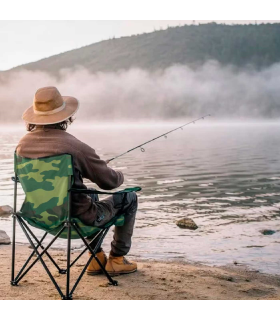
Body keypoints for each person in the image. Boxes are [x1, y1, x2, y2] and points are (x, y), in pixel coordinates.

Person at [16, 86, 138, 275]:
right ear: (65, 117)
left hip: (41, 219)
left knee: (88, 194)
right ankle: (117, 259)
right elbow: (110, 183)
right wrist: (118, 173)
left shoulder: (22, 146)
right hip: (77, 220)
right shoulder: (74, 147)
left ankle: (96, 258)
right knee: (129, 197)